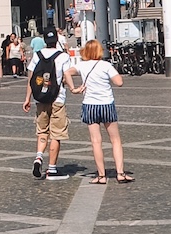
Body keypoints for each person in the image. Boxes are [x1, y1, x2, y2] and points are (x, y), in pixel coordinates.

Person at [68, 39, 127, 182]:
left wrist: (74, 89)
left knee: (96, 141)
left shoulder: (81, 65)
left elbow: (67, 73)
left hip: (90, 105)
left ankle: (101, 175)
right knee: (115, 140)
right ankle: (120, 173)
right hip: (106, 104)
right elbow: (119, 82)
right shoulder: (106, 65)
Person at [24, 26, 73, 180]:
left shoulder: (37, 55)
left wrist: (27, 98)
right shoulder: (63, 56)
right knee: (56, 134)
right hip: (57, 99)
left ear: (44, 40)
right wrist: (72, 87)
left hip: (40, 99)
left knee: (42, 131)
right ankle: (51, 169)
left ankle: (38, 157)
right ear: (57, 40)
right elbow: (66, 77)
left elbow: (31, 79)